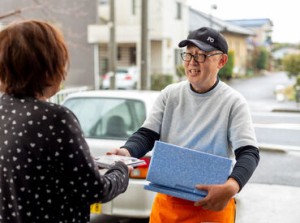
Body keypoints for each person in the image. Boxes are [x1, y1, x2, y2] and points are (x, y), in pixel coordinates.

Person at [109, 27, 260, 223]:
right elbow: (147, 134)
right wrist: (127, 152)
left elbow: (249, 152)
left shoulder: (233, 102)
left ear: (221, 61)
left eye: (202, 56)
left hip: (211, 205)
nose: (192, 63)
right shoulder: (169, 95)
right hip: (168, 203)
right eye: (188, 55)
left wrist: (232, 186)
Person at [0, 20, 130, 223]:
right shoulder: (55, 119)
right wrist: (121, 169)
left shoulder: (4, 110)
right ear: (49, 64)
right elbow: (95, 190)